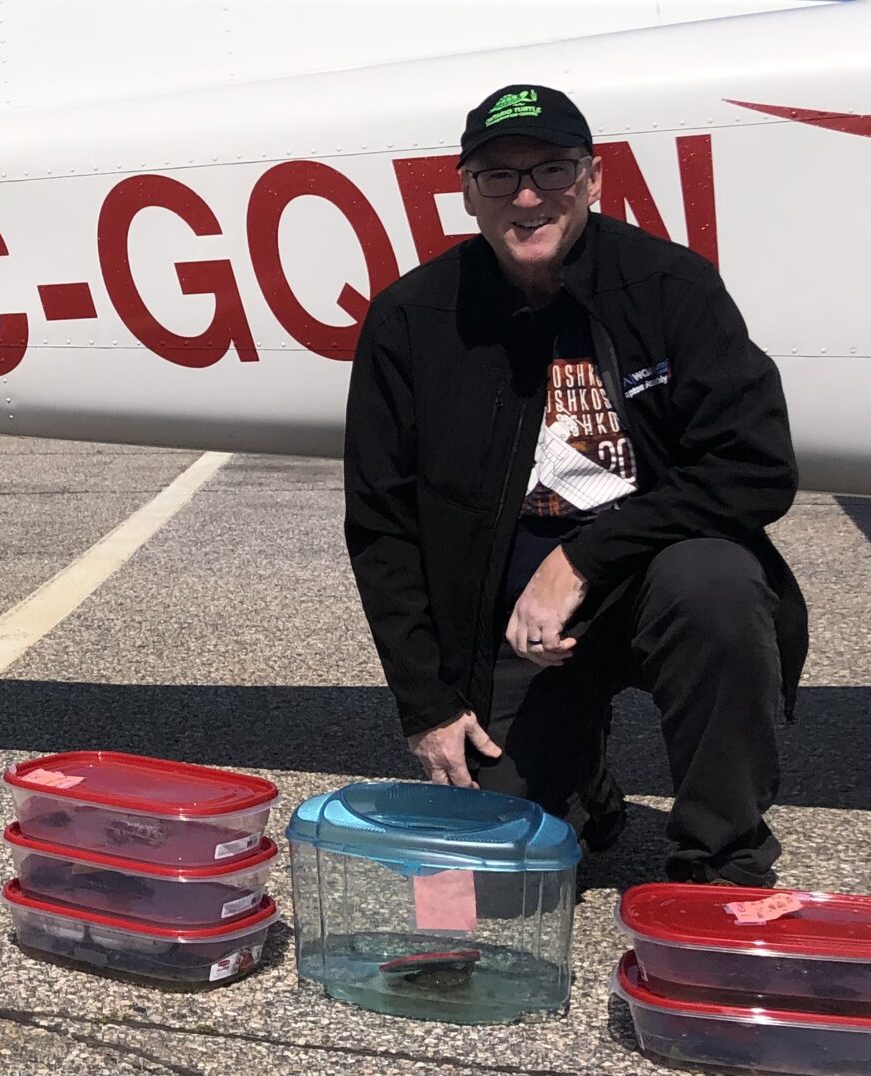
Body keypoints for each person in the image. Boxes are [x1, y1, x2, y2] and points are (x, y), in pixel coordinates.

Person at [343, 84, 808, 887]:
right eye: (499, 177)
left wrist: (583, 560)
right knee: (485, 885)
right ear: (466, 193)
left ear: (592, 178)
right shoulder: (411, 319)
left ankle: (719, 862)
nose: (528, 197)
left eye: (552, 169)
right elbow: (382, 524)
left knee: (716, 585)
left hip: (653, 579)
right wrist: (427, 705)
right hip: (507, 620)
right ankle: (583, 786)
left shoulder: (669, 288)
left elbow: (755, 465)